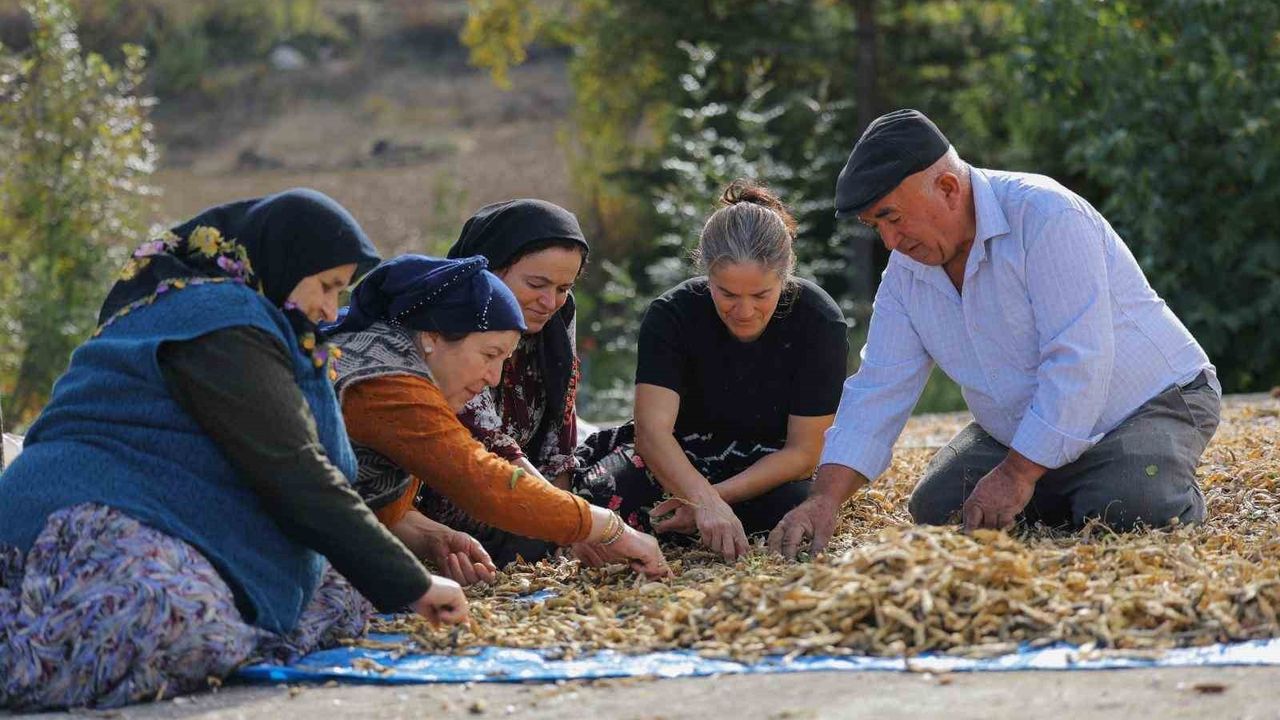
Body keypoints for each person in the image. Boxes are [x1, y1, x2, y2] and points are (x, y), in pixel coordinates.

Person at [0, 190, 468, 711]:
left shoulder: (275, 332)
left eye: (343, 291)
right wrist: (414, 582)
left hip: (168, 517)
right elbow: (292, 470)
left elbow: (317, 467)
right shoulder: (218, 321)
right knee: (163, 611)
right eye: (327, 286)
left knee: (337, 595)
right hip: (84, 515)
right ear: (284, 261)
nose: (331, 309)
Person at [769, 109, 1221, 559]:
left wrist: (1018, 474)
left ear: (947, 187)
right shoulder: (906, 273)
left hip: (1148, 402)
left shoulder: (1047, 215)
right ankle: (1073, 476)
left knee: (1129, 509)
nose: (889, 241)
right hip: (1027, 422)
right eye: (876, 227)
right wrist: (823, 498)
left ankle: (1119, 480)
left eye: (893, 218)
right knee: (938, 508)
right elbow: (878, 387)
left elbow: (1079, 361)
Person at [327, 254, 670, 579]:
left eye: (503, 360)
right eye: (489, 355)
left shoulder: (409, 362)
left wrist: (432, 536)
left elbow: (370, 501)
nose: (493, 377)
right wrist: (611, 528)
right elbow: (480, 479)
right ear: (433, 336)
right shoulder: (386, 383)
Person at [573, 182, 850, 563]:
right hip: (677, 460)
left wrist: (715, 500)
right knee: (600, 497)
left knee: (791, 510)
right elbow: (652, 434)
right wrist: (699, 498)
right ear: (706, 274)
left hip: (765, 468)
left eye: (761, 295)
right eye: (727, 294)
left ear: (785, 277)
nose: (745, 310)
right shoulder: (672, 315)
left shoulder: (818, 320)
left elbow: (804, 451)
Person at [430, 199, 590, 563]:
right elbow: (485, 437)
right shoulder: (457, 311)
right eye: (536, 283)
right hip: (464, 480)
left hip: (525, 478)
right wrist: (568, 522)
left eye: (564, 287)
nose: (549, 302)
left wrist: (567, 506)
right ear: (493, 268)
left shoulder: (560, 313)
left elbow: (561, 412)